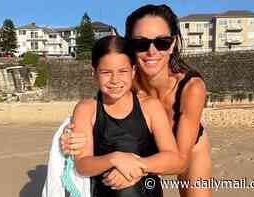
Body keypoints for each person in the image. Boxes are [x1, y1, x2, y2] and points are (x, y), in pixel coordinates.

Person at [60, 4, 212, 197]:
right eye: (141, 43)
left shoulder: (191, 87)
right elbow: (97, 117)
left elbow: (180, 161)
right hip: (139, 144)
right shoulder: (124, 79)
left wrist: (137, 166)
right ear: (131, 46)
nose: (151, 51)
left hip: (187, 149)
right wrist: (70, 139)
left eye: (162, 42)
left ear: (172, 44)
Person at [71, 35, 184, 197]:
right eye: (106, 72)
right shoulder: (86, 109)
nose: (115, 80)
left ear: (133, 71)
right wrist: (115, 159)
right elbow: (82, 164)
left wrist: (136, 167)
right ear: (94, 73)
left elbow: (173, 158)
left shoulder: (150, 107)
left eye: (122, 71)